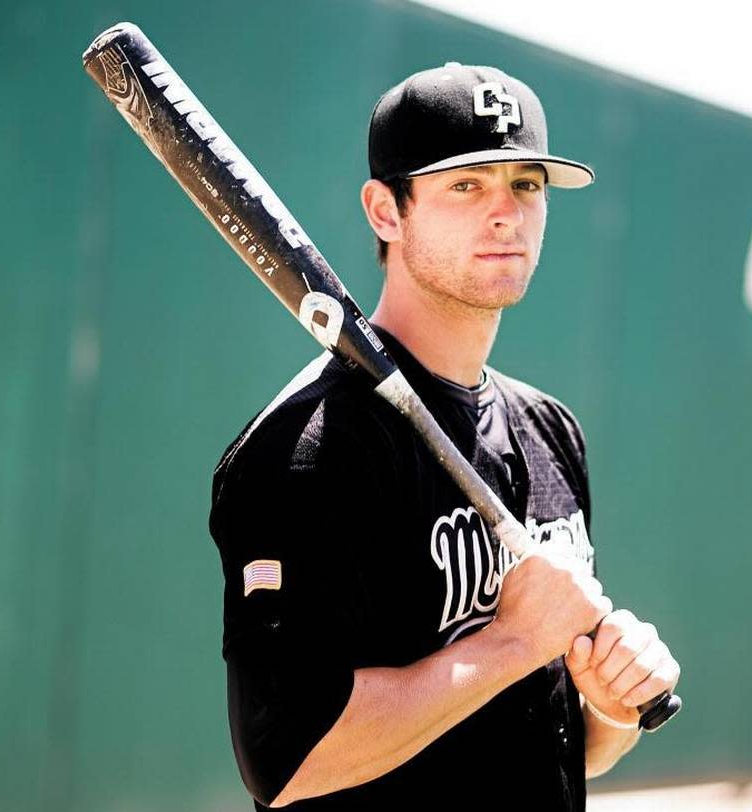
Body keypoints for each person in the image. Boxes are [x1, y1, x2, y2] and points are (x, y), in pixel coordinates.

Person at [209, 62, 680, 810]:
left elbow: (554, 745)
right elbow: (286, 758)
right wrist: (512, 643)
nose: (507, 213)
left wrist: (614, 706)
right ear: (385, 211)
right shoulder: (309, 447)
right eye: (467, 185)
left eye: (526, 184)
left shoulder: (550, 430)